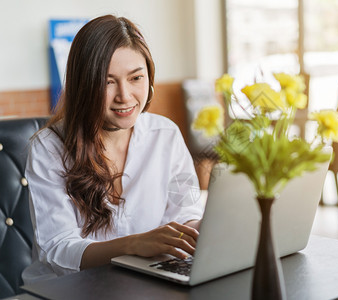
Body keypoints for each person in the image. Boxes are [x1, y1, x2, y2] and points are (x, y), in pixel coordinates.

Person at [22, 15, 203, 284]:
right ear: (84, 85)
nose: (125, 96)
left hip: (143, 282)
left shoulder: (165, 134)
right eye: (108, 82)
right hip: (71, 290)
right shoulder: (48, 148)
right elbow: (57, 249)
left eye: (136, 78)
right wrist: (133, 245)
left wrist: (204, 230)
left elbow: (185, 213)